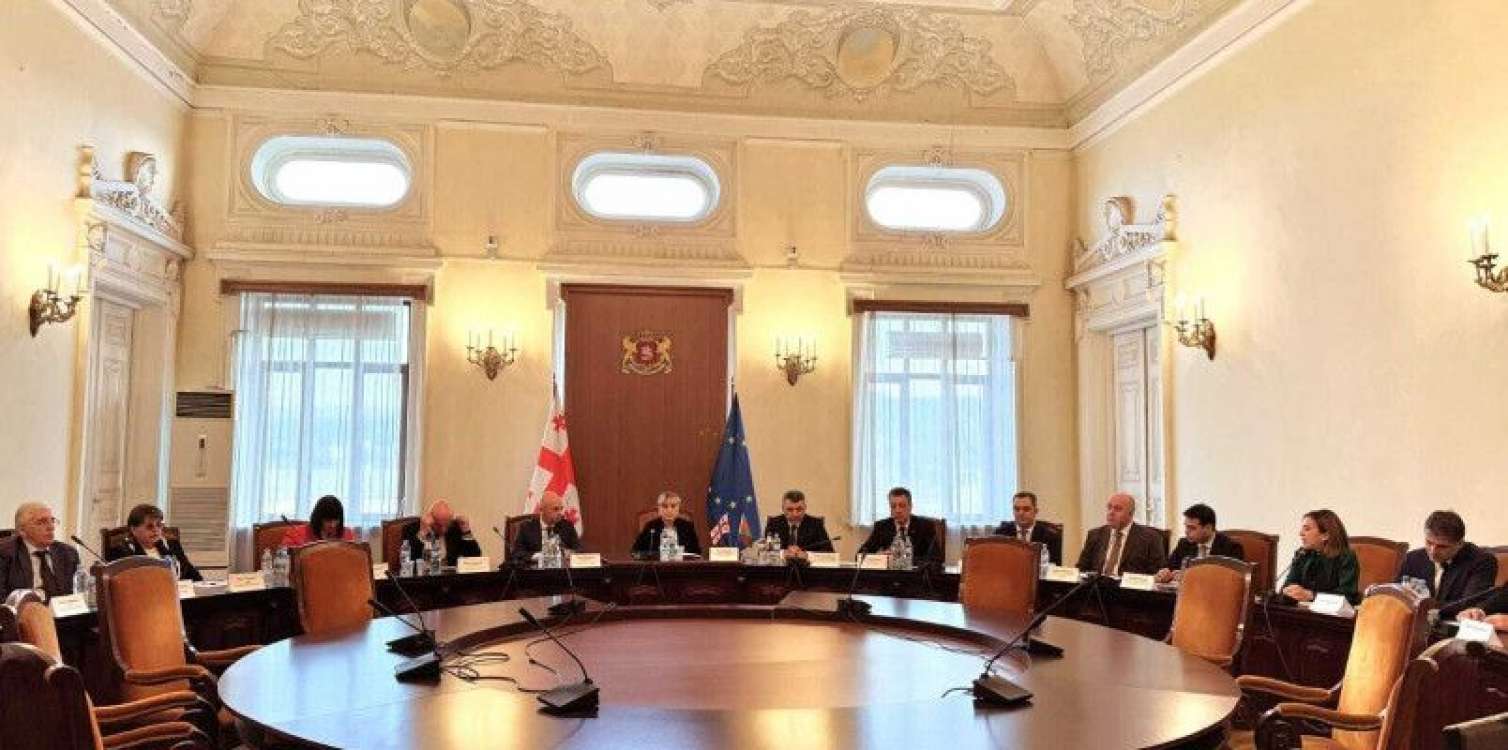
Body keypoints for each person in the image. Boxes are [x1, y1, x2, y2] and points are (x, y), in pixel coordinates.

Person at [1395, 510, 1496, 617]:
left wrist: (1423, 606)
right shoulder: (1413, 558)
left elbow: (1468, 604)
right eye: (1429, 542)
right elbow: (1395, 596)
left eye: (1442, 546)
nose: (1433, 551)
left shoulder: (1482, 562)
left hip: (1452, 623)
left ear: (1460, 544)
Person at [0, 502, 80, 600]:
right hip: (25, 608)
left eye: (52, 520)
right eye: (41, 522)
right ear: (22, 531)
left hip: (60, 608)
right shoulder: (4, 553)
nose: (51, 527)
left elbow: (77, 593)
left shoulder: (68, 553)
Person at [1281, 509, 1360, 605]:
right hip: (1302, 611)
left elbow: (1347, 596)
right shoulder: (1302, 554)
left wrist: (1311, 595)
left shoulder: (1346, 557)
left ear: (1325, 535)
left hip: (1332, 613)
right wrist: (1289, 591)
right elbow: (1287, 587)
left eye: (1307, 529)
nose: (1301, 533)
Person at [104, 503, 203, 581]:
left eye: (159, 525)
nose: (155, 530)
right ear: (134, 530)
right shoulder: (122, 551)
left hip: (179, 597)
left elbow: (194, 575)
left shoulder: (172, 545)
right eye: (149, 526)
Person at [1076, 492, 1166, 576]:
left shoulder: (1150, 538)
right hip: (1097, 585)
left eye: (1118, 509)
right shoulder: (1095, 535)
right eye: (1109, 507)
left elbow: (1156, 574)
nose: (1111, 513)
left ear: (1131, 513)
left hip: (1128, 587)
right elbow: (1081, 569)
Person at [1155, 503, 1244, 583]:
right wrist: (1164, 574)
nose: (1186, 531)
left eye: (1192, 528)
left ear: (1208, 528)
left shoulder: (1231, 548)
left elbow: (1232, 580)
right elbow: (1169, 567)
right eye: (1186, 526)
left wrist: (1190, 577)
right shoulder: (1184, 544)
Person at [857, 487, 942, 566]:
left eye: (902, 506)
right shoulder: (882, 526)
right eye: (893, 506)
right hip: (889, 575)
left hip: (915, 575)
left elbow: (936, 559)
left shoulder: (925, 526)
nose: (897, 510)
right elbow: (859, 556)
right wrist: (881, 558)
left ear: (910, 507)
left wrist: (902, 559)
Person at [401, 499, 481, 567]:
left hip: (449, 577)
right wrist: (423, 533)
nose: (443, 529)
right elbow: (408, 561)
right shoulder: (412, 529)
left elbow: (475, 558)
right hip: (423, 577)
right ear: (430, 518)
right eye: (439, 525)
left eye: (447, 524)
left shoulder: (455, 528)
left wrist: (466, 531)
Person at [510, 491, 581, 565]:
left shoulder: (567, 526)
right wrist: (536, 556)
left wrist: (568, 553)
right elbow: (517, 554)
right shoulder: (527, 528)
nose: (560, 513)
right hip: (535, 569)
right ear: (542, 509)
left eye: (561, 509)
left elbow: (578, 550)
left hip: (560, 570)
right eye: (555, 509)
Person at [992, 491, 1062, 565]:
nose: (1021, 513)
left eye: (1026, 509)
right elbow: (995, 561)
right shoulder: (1001, 533)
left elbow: (1054, 565)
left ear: (1035, 511)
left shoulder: (1050, 536)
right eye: (1017, 509)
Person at [763, 490, 834, 560]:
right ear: (783, 509)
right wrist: (783, 554)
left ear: (805, 508)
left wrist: (808, 556)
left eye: (799, 509)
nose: (795, 514)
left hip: (807, 567)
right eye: (790, 509)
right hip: (780, 566)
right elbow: (765, 553)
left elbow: (830, 554)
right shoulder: (773, 523)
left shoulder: (816, 524)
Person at [631, 491, 702, 558]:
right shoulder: (650, 526)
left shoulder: (687, 527)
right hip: (656, 565)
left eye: (673, 506)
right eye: (665, 506)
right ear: (659, 509)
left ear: (678, 509)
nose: (669, 510)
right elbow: (635, 551)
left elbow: (697, 552)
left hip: (682, 565)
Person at [281, 495, 357, 547]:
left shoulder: (347, 534)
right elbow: (283, 558)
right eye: (328, 520)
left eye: (336, 520)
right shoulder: (295, 533)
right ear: (318, 519)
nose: (333, 525)